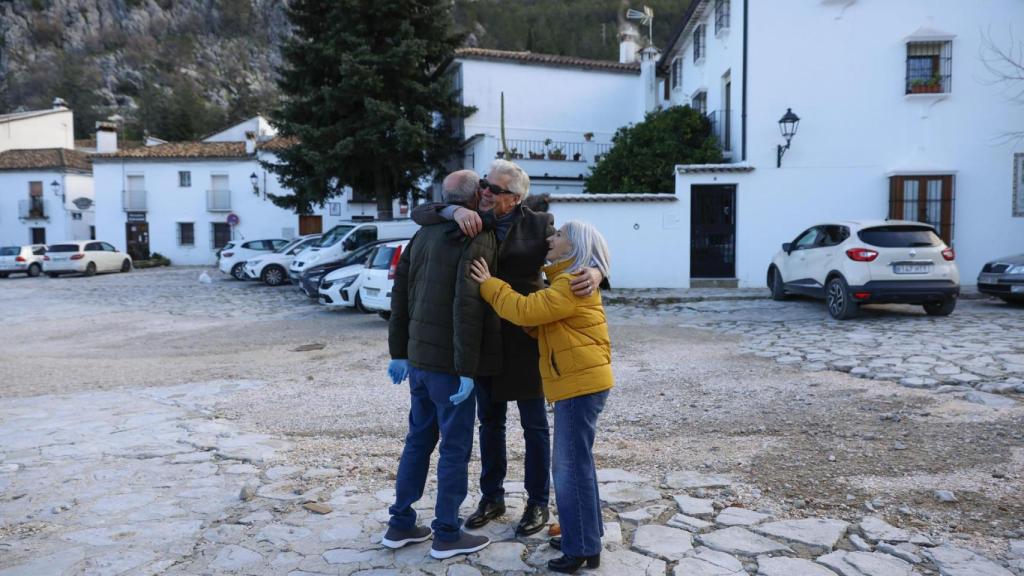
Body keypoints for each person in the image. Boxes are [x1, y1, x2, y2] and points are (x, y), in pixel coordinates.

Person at [412, 160, 605, 537]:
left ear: (515, 197)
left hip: (527, 336)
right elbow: (424, 213)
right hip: (484, 337)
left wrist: (598, 273)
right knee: (491, 424)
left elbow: (581, 252)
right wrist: (452, 208)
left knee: (534, 425)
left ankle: (537, 503)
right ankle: (492, 497)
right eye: (484, 184)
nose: (485, 191)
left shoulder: (540, 224)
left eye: (494, 189)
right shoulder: (470, 216)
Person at [468, 220, 613, 574]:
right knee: (579, 466)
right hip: (581, 382)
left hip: (579, 385)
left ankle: (579, 549)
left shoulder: (569, 282)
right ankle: (585, 540)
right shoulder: (570, 280)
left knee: (568, 470)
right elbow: (545, 318)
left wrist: (489, 284)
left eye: (560, 235)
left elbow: (524, 310)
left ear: (574, 244)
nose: (552, 238)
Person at [382, 170, 502, 559]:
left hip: (417, 360)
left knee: (417, 441)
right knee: (454, 448)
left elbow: (399, 293)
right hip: (449, 367)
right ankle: (447, 532)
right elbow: (468, 307)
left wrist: (398, 352)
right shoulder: (474, 235)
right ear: (472, 198)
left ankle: (399, 523)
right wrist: (467, 369)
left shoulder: (423, 233)